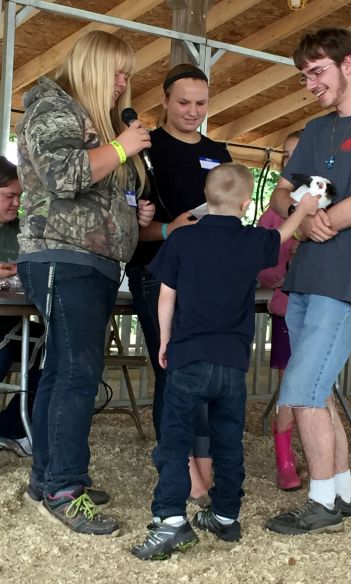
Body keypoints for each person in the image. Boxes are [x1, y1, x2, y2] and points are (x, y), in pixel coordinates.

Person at [131, 163, 319, 561]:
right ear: (247, 203)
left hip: (188, 357)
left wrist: (165, 340)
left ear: (206, 195)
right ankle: (226, 515)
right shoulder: (252, 240)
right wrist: (304, 208)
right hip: (232, 363)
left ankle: (170, 522)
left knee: (175, 440)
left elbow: (166, 295)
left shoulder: (183, 239)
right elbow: (284, 234)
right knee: (228, 441)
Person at [262, 27, 351, 536]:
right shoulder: (315, 129)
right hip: (303, 278)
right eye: (304, 75)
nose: (310, 84)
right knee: (316, 392)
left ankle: (320, 500)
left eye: (317, 72)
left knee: (301, 391)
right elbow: (279, 195)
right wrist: (297, 212)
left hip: (345, 280)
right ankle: (342, 492)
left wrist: (317, 221)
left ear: (348, 64)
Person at [15, 30, 154, 536]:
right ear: (94, 68)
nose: (124, 84)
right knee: (76, 372)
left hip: (88, 260)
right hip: (62, 257)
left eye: (127, 75)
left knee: (62, 372)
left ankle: (47, 477)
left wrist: (130, 210)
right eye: (118, 73)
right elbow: (65, 176)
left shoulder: (89, 118)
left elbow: (91, 186)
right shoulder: (55, 109)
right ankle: (65, 488)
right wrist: (122, 147)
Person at [126, 63, 232, 505]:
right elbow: (130, 227)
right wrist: (173, 230)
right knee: (172, 368)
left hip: (207, 275)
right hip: (158, 271)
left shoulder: (219, 151)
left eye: (201, 103)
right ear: (165, 102)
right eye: (183, 102)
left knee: (204, 371)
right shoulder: (144, 151)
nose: (193, 111)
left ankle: (202, 464)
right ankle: (178, 466)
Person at [257, 131, 302, 491]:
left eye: (298, 155)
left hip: (321, 308)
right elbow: (262, 266)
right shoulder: (272, 213)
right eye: (286, 156)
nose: (291, 162)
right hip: (287, 307)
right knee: (288, 384)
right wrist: (286, 266)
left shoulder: (332, 203)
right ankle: (284, 458)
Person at [0, 156, 44, 458]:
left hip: (15, 319)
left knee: (55, 348)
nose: (17, 203)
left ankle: (13, 425)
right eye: (9, 196)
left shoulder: (20, 229)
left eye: (19, 196)